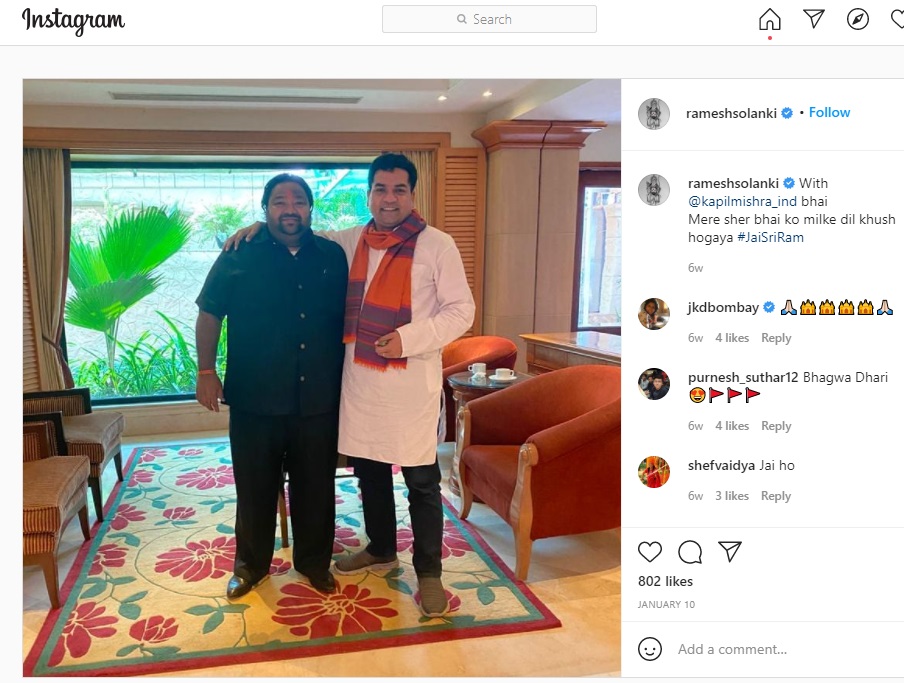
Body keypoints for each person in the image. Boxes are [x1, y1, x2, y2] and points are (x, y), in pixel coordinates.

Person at [226, 153, 475, 618]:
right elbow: (300, 232)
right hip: (360, 383)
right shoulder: (351, 240)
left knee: (421, 482)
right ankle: (381, 547)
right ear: (368, 194)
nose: (389, 198)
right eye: (380, 189)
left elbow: (462, 310)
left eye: (399, 189)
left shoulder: (437, 244)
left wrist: (408, 339)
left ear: (412, 194)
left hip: (409, 384)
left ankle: (429, 572)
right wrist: (258, 228)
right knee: (370, 472)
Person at [195, 174, 348, 599]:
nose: (290, 209)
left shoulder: (333, 255)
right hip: (254, 398)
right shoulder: (238, 252)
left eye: (299, 200)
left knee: (316, 488)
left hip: (317, 398)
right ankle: (250, 567)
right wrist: (206, 372)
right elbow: (209, 313)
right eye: (279, 201)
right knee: (254, 487)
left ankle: (314, 563)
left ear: (310, 208)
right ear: (265, 210)